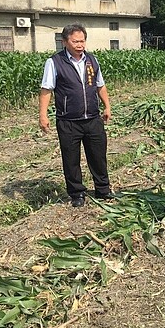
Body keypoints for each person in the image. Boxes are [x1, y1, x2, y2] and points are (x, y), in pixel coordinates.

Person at [39, 23, 114, 207]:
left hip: (92, 118)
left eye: (82, 41)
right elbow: (46, 89)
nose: (80, 44)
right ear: (65, 42)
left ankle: (103, 189)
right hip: (68, 120)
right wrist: (43, 116)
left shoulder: (91, 60)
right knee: (71, 159)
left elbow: (100, 85)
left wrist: (107, 106)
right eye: (75, 41)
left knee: (98, 155)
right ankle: (77, 193)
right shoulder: (54, 62)